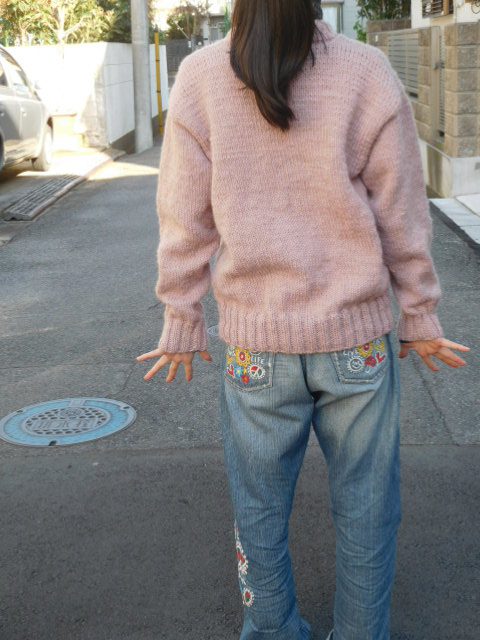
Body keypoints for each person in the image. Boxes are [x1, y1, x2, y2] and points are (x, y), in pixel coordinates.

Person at [136, 1, 470, 638]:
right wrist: (419, 312)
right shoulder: (366, 71)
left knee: (258, 511)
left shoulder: (200, 76)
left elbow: (183, 214)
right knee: (368, 508)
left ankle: (271, 630)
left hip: (255, 346)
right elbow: (401, 209)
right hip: (356, 342)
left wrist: (182, 313)